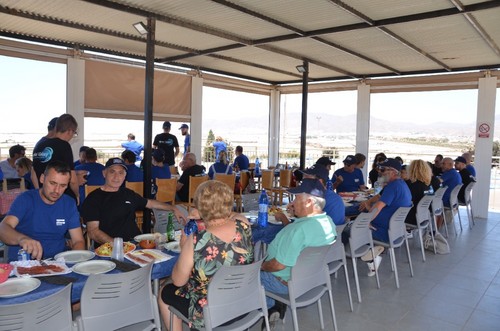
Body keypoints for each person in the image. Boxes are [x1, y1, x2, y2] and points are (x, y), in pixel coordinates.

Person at [158, 180, 253, 331]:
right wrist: (208, 212)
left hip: (209, 312)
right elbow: (235, 215)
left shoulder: (196, 240)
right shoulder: (244, 225)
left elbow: (178, 281)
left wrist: (184, 247)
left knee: (165, 291)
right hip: (242, 303)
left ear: (200, 206)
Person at [260, 178, 336, 327]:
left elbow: (277, 265)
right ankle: (274, 306)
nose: (291, 203)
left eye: (296, 198)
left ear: (308, 202)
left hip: (284, 283)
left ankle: (270, 306)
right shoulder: (328, 223)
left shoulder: (298, 230)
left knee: (248, 278)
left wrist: (261, 266)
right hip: (312, 279)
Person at [81, 158, 186, 247]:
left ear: (125, 176)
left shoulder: (128, 193)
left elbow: (150, 203)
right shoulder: (93, 198)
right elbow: (93, 232)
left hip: (136, 244)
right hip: (110, 248)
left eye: (120, 173)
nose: (116, 177)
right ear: (104, 173)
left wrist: (173, 208)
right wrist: (117, 245)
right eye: (112, 172)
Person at [0, 161, 85, 261]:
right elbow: (3, 227)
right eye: (53, 183)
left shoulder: (69, 203)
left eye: (62, 186)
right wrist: (22, 239)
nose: (56, 190)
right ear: (42, 179)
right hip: (24, 263)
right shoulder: (26, 199)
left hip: (58, 263)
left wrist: (74, 261)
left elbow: (78, 241)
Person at [359, 158, 411, 275]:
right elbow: (379, 200)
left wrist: (365, 221)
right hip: (396, 231)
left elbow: (378, 207)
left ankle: (372, 257)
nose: (380, 172)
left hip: (383, 232)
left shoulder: (392, 187)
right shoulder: (401, 185)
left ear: (393, 172)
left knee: (348, 231)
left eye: (383, 170)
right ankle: (372, 252)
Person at [32, 114, 80, 202]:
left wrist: (40, 192)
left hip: (44, 195)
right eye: (74, 133)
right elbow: (72, 179)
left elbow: (34, 174)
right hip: (62, 195)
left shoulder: (39, 145)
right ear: (70, 131)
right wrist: (77, 195)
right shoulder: (64, 146)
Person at [404, 160, 433, 226]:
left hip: (412, 218)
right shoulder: (428, 186)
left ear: (412, 171)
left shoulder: (413, 186)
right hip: (424, 217)